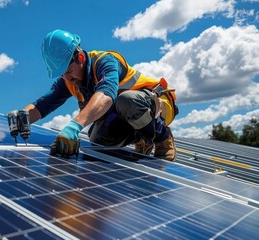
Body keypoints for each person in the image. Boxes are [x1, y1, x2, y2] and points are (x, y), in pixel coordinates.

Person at [11, 29, 178, 161]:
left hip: (156, 107)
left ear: (81, 57)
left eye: (68, 71)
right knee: (98, 139)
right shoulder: (69, 80)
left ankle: (163, 138)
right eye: (62, 74)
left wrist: (74, 126)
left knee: (127, 100)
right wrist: (23, 116)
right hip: (129, 117)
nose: (67, 78)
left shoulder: (106, 61)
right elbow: (44, 104)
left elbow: (106, 94)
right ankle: (142, 139)